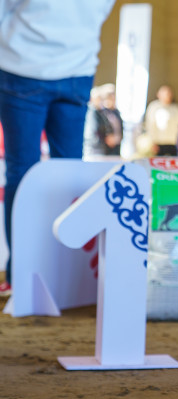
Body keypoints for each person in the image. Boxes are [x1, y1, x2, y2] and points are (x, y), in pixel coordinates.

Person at [0, 0, 116, 295]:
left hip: (22, 66)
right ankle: (64, 276)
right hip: (77, 67)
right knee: (69, 174)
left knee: (22, 173)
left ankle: (21, 277)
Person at [143, 85, 178, 156]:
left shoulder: (176, 109)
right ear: (158, 94)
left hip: (173, 143)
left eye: (169, 93)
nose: (167, 95)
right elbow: (150, 125)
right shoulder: (153, 107)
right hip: (158, 143)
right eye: (165, 93)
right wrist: (152, 142)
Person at [95, 84, 123, 156]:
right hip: (104, 149)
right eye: (110, 96)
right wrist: (107, 138)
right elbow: (98, 128)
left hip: (116, 147)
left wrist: (118, 138)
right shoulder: (100, 112)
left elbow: (120, 128)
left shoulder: (116, 112)